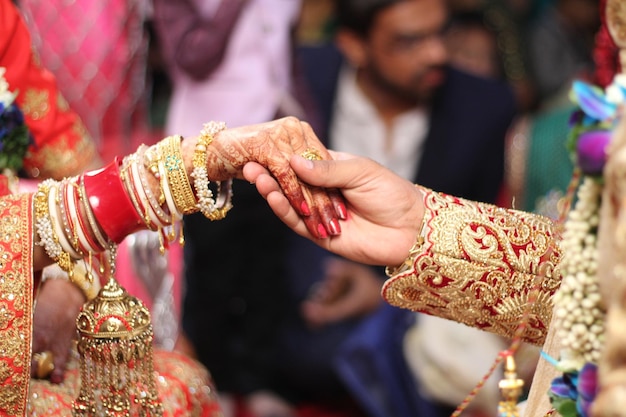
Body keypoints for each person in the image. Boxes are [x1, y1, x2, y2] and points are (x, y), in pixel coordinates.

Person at [0, 2, 342, 416]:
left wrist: (66, 278)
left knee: (185, 382)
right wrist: (191, 163)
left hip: (29, 279)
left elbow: (69, 160)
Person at [281, 0, 516, 414]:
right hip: (295, 338)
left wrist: (388, 294)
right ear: (353, 44)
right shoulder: (297, 82)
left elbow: (480, 246)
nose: (437, 53)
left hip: (423, 355)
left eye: (440, 33)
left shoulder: (485, 109)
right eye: (410, 41)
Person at [150, 2, 323, 416]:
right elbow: (193, 57)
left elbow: (286, 61)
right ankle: (214, 381)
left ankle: (259, 380)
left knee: (266, 269)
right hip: (206, 149)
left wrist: (311, 127)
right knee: (212, 272)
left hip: (271, 143)